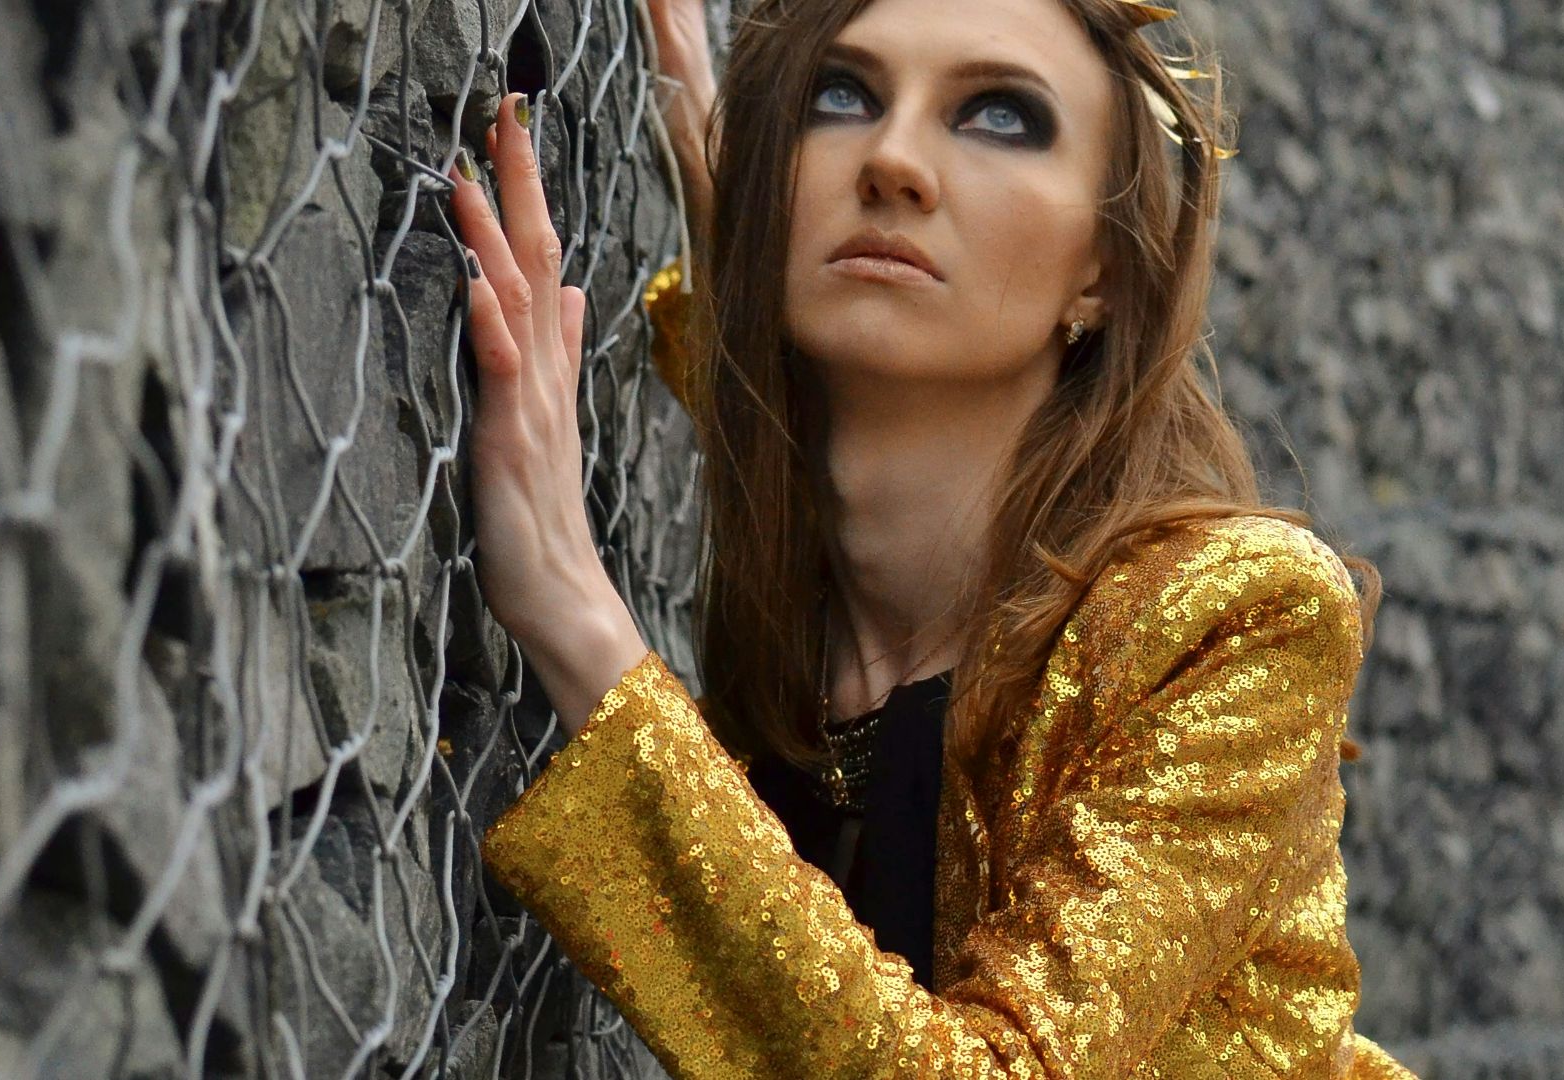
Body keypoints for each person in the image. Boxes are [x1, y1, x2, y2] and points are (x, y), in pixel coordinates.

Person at [446, 0, 1419, 1073]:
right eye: (842, 96)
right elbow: (786, 428)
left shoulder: (1233, 621)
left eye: (1000, 117)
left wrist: (572, 611)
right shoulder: (824, 550)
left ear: (1101, 269)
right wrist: (744, 202)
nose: (893, 162)